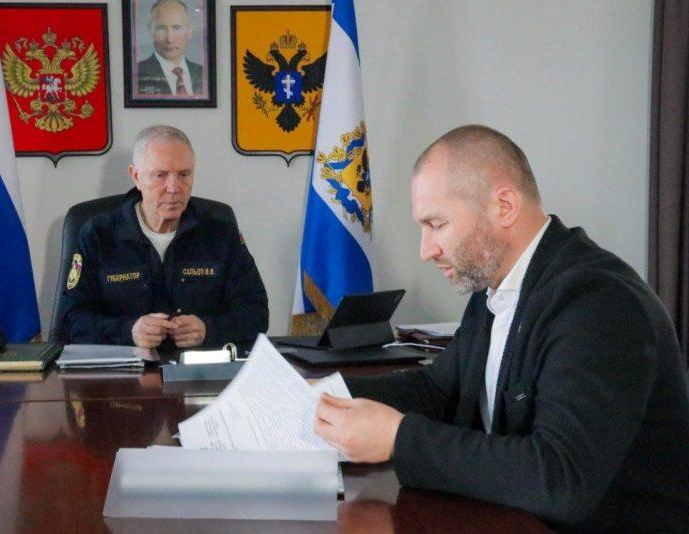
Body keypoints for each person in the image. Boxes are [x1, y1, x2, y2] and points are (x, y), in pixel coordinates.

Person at [314, 125, 689, 531]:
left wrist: (398, 439)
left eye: (437, 224)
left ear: (504, 206)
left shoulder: (598, 303)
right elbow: (439, 390)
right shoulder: (495, 285)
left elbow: (561, 480)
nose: (426, 250)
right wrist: (322, 396)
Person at [62, 125, 268, 349]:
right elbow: (72, 320)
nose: (173, 188)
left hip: (199, 366)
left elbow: (256, 313)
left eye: (184, 175)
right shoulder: (98, 235)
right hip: (126, 366)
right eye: (160, 175)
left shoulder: (220, 233)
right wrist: (128, 332)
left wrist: (209, 329)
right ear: (136, 176)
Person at [136, 0, 204, 97]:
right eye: (161, 28)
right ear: (150, 31)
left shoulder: (203, 73)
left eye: (176, 28)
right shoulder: (136, 74)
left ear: (189, 31)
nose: (169, 39)